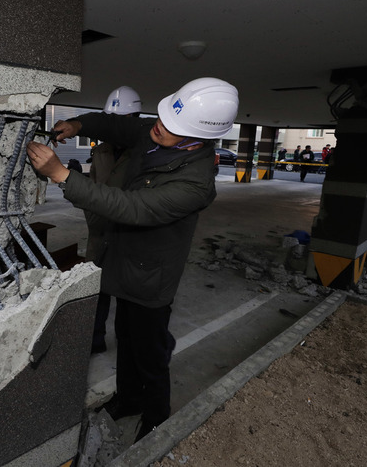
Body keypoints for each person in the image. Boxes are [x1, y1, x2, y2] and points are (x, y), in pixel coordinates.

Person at [26, 77, 239, 442]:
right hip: (125, 262)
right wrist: (79, 124)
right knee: (125, 338)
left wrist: (61, 176)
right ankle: (128, 398)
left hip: (151, 278)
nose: (158, 127)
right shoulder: (159, 131)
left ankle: (156, 416)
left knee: (150, 353)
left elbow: (132, 207)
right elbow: (119, 124)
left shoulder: (194, 184)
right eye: (161, 118)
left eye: (171, 127)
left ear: (197, 139)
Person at [87, 85, 142, 354]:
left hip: (130, 233)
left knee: (128, 292)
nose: (113, 127)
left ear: (134, 120)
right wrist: (92, 217)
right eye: (110, 120)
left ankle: (129, 343)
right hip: (99, 232)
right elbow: (93, 186)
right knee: (96, 289)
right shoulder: (100, 151)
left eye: (119, 121)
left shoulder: (145, 153)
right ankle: (94, 338)